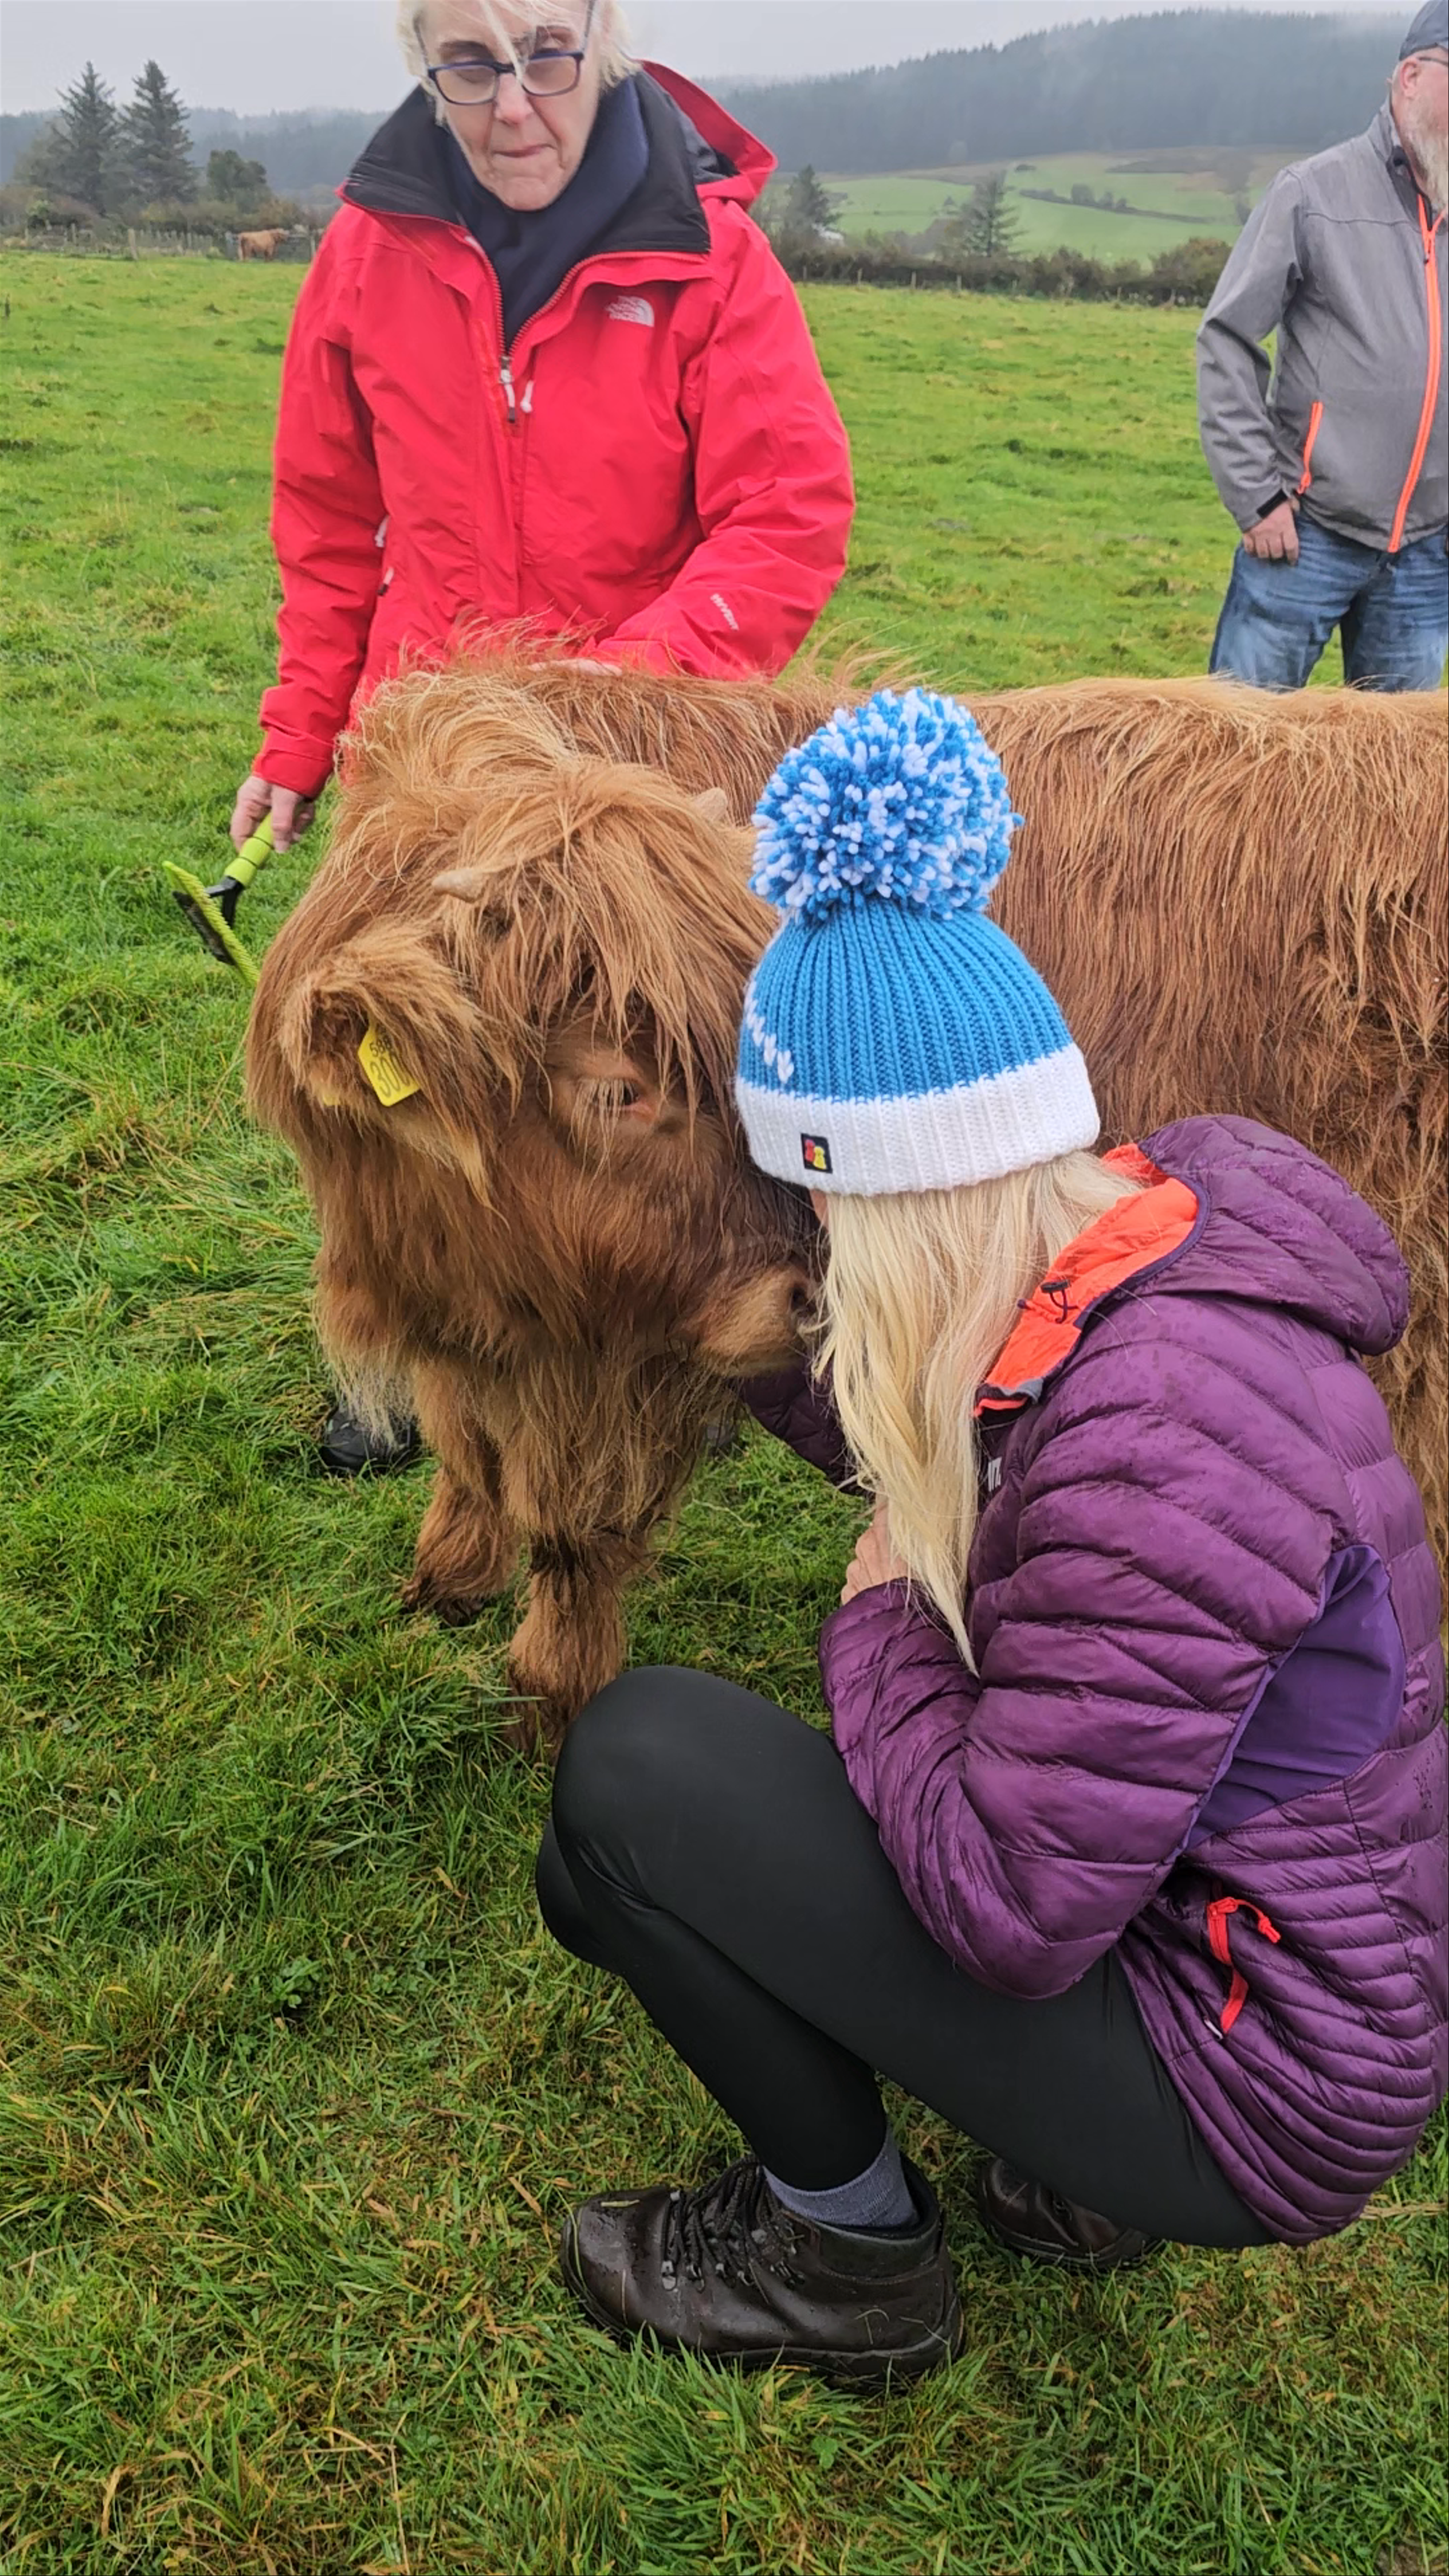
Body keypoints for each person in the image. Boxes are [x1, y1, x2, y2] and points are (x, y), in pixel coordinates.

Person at [535, 688, 1447, 2387]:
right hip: (1255, 1946)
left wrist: (880, 1612)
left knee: (640, 1770)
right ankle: (1039, 2172)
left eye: (817, 1204)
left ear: (894, 1192)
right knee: (591, 1874)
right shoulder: (1144, 1257)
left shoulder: (1165, 1444)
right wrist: (786, 1381)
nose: (805, 1240)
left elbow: (1016, 1900)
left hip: (1259, 2075)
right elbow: (1002, 1435)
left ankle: (847, 2255)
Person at [229, 0, 854, 1474]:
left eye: (549, 56)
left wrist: (597, 707)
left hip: (636, 783)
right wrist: (302, 726)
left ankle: (664, 1340)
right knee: (401, 1078)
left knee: (630, 1081)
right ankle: (411, 1362)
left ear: (603, 44)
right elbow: (328, 516)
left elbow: (787, 511)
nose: (515, 101)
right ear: (424, 67)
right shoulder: (368, 252)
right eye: (471, 62)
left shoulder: (708, 256)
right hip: (426, 769)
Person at [1197, 0, 1448, 691]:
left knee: (1396, 788)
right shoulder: (1312, 193)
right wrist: (1258, 498)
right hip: (1304, 537)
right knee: (1240, 754)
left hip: (1427, 556)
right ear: (1411, 77)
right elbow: (1226, 338)